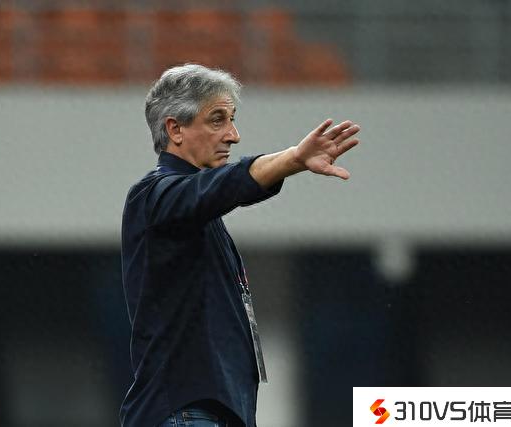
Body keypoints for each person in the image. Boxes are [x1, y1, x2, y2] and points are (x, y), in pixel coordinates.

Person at [120, 64, 360, 427]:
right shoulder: (154, 196)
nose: (233, 135)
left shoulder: (196, 213)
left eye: (232, 120)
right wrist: (293, 159)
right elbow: (224, 186)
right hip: (186, 413)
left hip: (209, 413)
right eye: (217, 119)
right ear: (175, 129)